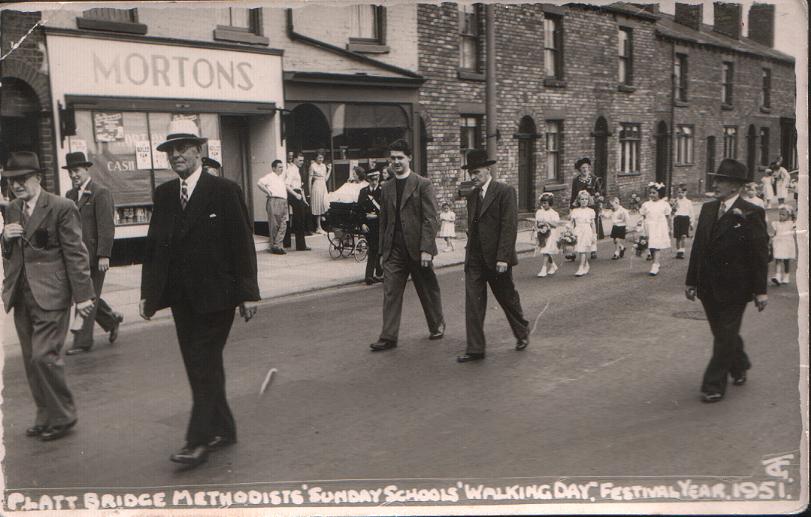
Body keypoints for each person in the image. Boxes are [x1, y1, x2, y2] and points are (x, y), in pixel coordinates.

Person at [139, 118, 260, 467]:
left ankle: (198, 439)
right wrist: (149, 294)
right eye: (170, 150)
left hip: (217, 297)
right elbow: (154, 249)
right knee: (200, 364)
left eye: (182, 148)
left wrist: (248, 293)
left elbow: (242, 245)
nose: (175, 155)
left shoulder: (223, 190)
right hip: (181, 299)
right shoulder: (164, 195)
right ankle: (225, 427)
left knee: (202, 362)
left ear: (198, 151)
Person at [2, 151, 96, 441]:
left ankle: (64, 416)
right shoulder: (12, 209)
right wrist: (5, 238)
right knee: (32, 359)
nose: (16, 185)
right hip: (22, 294)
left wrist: (83, 296)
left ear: (38, 178)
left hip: (52, 294)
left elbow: (76, 253)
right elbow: (10, 254)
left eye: (22, 179)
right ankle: (45, 415)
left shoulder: (61, 206)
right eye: (11, 181)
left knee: (45, 356)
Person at [685, 158, 769, 404]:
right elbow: (699, 247)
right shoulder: (709, 208)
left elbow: (759, 254)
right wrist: (691, 281)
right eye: (716, 178)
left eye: (722, 180)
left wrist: (760, 291)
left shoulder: (752, 211)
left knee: (724, 335)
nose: (716, 183)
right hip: (708, 285)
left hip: (736, 287)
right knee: (721, 332)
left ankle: (713, 385)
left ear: (735, 186)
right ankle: (739, 362)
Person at [369, 139, 445, 352]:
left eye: (400, 158)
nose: (396, 162)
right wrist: (383, 252)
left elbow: (431, 219)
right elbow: (384, 220)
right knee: (391, 291)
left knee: (427, 289)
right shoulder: (387, 187)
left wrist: (426, 249)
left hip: (418, 248)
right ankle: (388, 336)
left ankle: (437, 324)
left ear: (409, 158)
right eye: (392, 158)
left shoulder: (423, 184)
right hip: (394, 249)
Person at [458, 150, 529, 362]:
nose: (473, 176)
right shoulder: (472, 195)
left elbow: (509, 227)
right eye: (470, 173)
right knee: (473, 303)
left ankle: (521, 331)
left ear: (488, 170)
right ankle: (475, 349)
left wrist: (503, 258)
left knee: (507, 298)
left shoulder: (504, 191)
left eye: (476, 172)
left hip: (497, 258)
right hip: (475, 259)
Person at [62, 151, 124, 355]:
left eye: (77, 171)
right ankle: (111, 319)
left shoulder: (100, 192)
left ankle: (82, 341)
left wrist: (104, 254)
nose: (73, 175)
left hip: (95, 257)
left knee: (87, 297)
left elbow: (106, 225)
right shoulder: (69, 196)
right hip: (75, 257)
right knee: (88, 295)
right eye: (70, 172)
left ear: (86, 169)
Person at [570, 157, 602, 259]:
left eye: (586, 167)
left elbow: (600, 193)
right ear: (580, 169)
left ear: (589, 168)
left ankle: (593, 249)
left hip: (592, 207)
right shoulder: (576, 180)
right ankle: (575, 250)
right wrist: (571, 207)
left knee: (592, 228)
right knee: (578, 228)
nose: (585, 169)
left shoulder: (594, 179)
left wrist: (598, 202)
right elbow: (573, 194)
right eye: (583, 168)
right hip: (579, 207)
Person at [257, 160, 289, 255]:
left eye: (282, 167)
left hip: (283, 201)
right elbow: (259, 183)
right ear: (274, 168)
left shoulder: (281, 178)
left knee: (283, 224)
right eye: (279, 167)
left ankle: (277, 245)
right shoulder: (270, 176)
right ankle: (276, 246)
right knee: (274, 225)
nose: (281, 169)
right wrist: (268, 192)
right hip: (274, 200)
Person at [358, 167, 383, 285]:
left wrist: (377, 217)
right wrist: (362, 223)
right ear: (368, 179)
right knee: (374, 248)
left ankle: (371, 275)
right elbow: (359, 210)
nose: (374, 181)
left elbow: (386, 210)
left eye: (376, 179)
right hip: (367, 225)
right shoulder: (363, 192)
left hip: (379, 224)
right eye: (372, 179)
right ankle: (377, 273)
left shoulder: (382, 191)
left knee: (375, 249)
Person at [640, 182, 672, 276]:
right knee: (651, 246)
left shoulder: (664, 204)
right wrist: (640, 224)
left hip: (659, 227)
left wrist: (670, 228)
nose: (651, 195)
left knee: (656, 246)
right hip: (649, 227)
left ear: (659, 193)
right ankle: (656, 262)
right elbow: (642, 215)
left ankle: (655, 265)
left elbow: (668, 217)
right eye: (650, 193)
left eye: (654, 193)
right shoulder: (646, 204)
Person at [282, 152, 310, 252]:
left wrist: (304, 199)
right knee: (299, 219)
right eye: (300, 160)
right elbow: (287, 184)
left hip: (297, 193)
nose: (302, 162)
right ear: (294, 160)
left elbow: (300, 187)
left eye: (302, 160)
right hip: (294, 193)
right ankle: (300, 245)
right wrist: (295, 195)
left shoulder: (296, 170)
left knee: (300, 218)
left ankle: (295, 244)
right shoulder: (292, 170)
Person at [570, 190, 596, 277]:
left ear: (588, 200)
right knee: (579, 249)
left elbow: (593, 224)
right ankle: (586, 265)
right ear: (578, 200)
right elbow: (571, 223)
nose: (584, 201)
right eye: (582, 199)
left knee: (583, 249)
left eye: (586, 199)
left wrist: (594, 235)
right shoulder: (575, 211)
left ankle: (581, 267)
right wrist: (569, 232)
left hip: (587, 230)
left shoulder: (591, 211)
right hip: (578, 230)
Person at [769, 205, 796, 286]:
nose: (781, 216)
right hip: (778, 243)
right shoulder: (776, 223)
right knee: (777, 259)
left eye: (783, 215)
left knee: (786, 261)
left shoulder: (791, 224)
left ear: (788, 216)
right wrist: (771, 240)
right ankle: (777, 276)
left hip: (787, 243)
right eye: (780, 214)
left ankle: (786, 276)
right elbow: (775, 233)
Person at [534, 192, 560, 276]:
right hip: (542, 233)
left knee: (546, 250)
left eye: (545, 203)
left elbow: (556, 224)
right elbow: (537, 222)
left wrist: (547, 222)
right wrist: (537, 229)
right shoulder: (539, 212)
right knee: (545, 250)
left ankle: (544, 269)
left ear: (550, 203)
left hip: (550, 234)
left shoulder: (554, 213)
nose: (543, 204)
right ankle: (553, 265)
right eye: (542, 203)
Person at [309, 151, 331, 234]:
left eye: (322, 158)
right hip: (316, 186)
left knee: (325, 203)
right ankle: (318, 227)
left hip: (323, 186)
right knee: (318, 205)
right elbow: (310, 179)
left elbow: (325, 179)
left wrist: (330, 170)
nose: (321, 159)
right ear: (316, 158)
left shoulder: (324, 166)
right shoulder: (312, 166)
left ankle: (322, 218)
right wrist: (310, 191)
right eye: (319, 158)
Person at [671, 184, 694, 259]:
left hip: (685, 219)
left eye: (682, 192)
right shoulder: (675, 201)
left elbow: (691, 212)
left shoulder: (688, 202)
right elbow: (672, 212)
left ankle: (682, 251)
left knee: (683, 236)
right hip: (677, 219)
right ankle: (678, 252)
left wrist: (691, 223)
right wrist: (673, 208)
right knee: (677, 237)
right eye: (679, 192)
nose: (680, 194)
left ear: (685, 193)